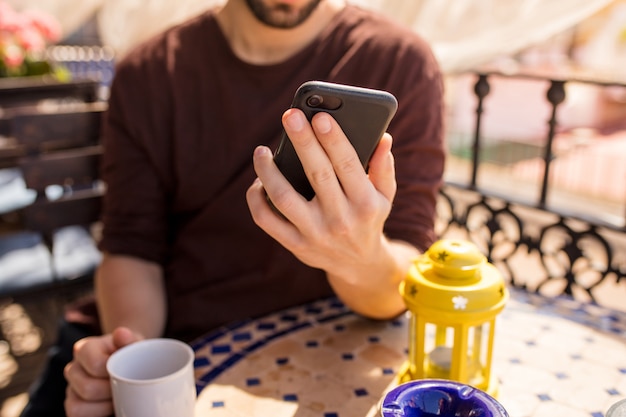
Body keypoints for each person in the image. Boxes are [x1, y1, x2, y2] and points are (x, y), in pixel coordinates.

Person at [20, 0, 444, 416]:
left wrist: (360, 257)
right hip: (168, 346)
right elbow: (130, 247)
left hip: (319, 359)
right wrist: (138, 361)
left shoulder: (399, 62)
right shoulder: (150, 72)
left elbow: (404, 273)